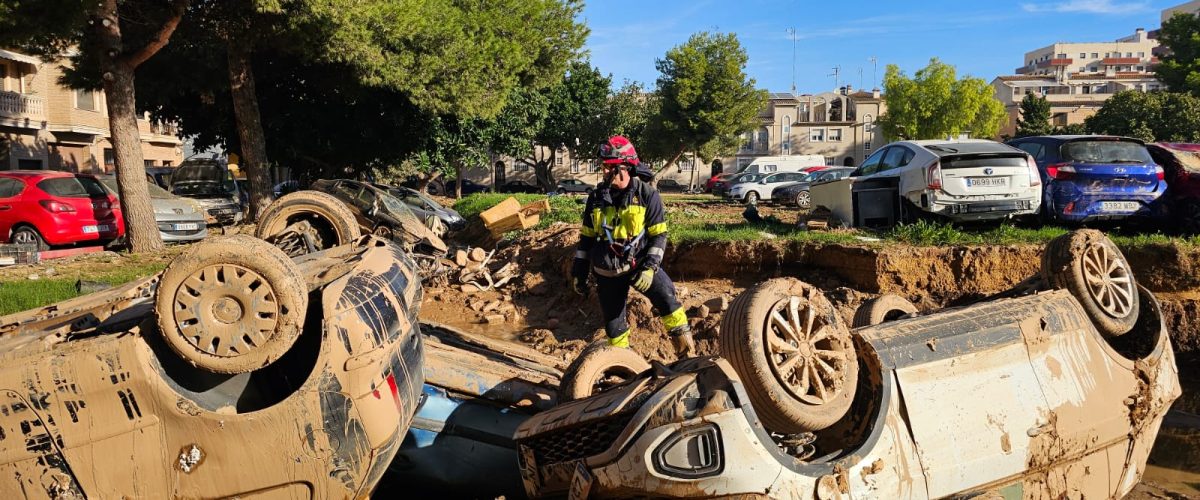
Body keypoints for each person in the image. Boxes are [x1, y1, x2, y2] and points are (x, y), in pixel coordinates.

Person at [570, 135, 695, 356]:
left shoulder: (647, 195)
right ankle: (623, 369)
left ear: (625, 167)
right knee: (613, 325)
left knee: (667, 299)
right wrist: (579, 271)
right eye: (604, 167)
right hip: (606, 271)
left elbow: (659, 236)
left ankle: (687, 354)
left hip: (639, 264)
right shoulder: (596, 197)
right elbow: (586, 238)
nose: (605, 171)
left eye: (609, 167)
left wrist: (650, 267)